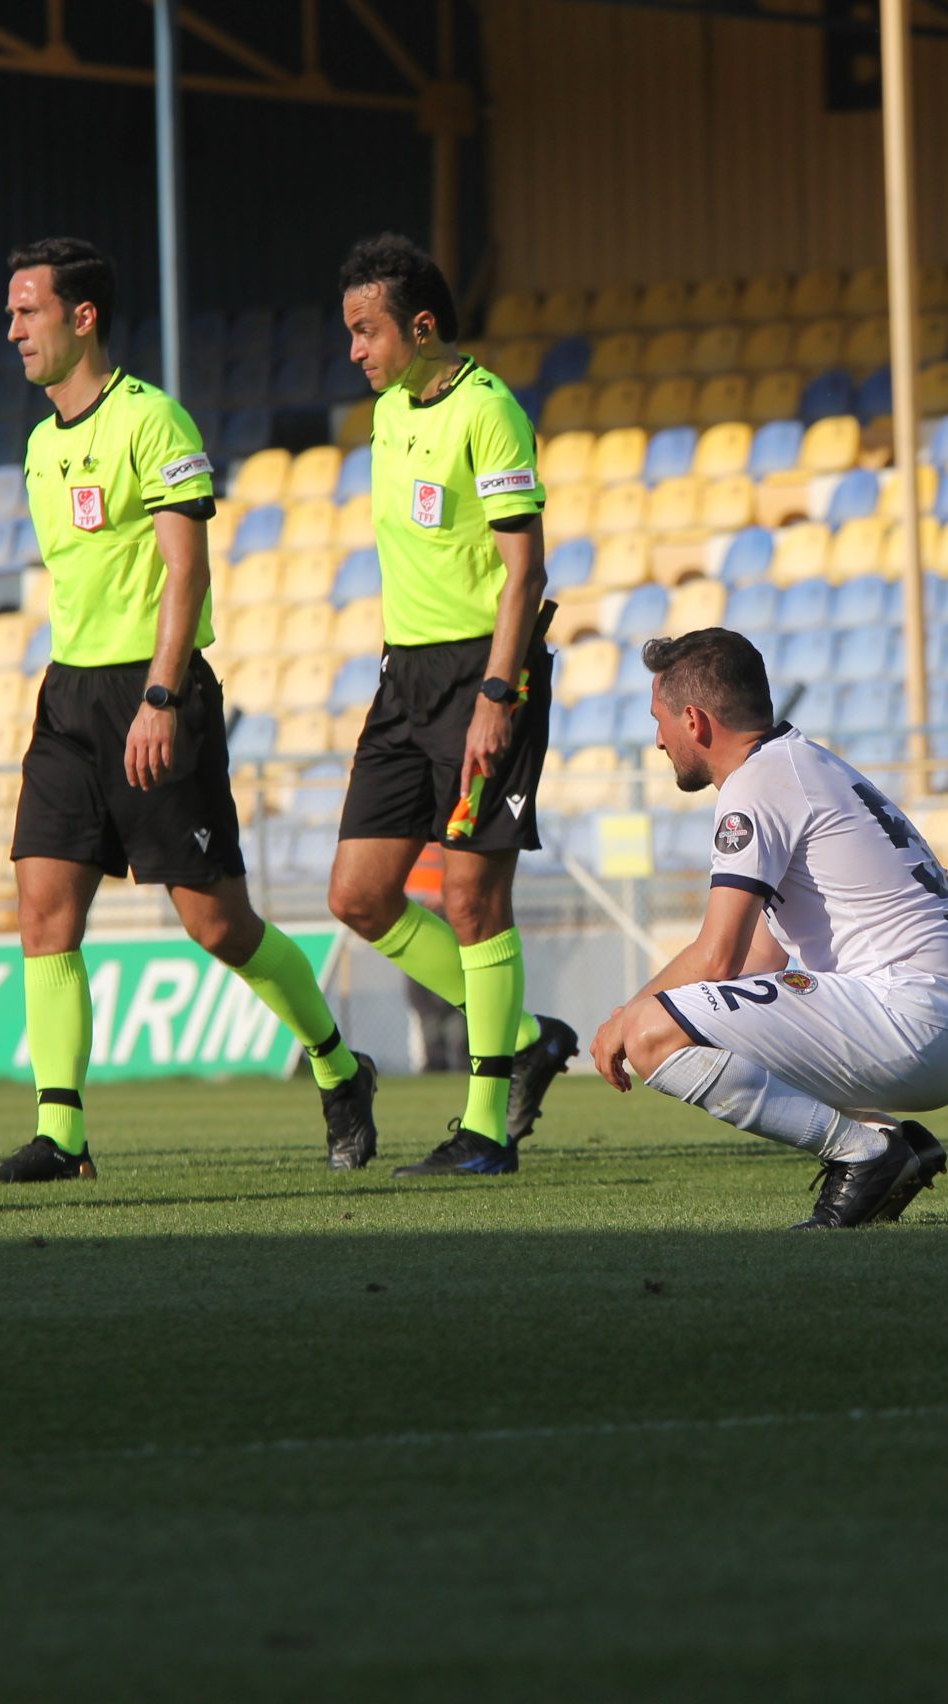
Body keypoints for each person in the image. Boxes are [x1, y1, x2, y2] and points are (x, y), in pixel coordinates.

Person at [0, 236, 377, 1184]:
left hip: (155, 692)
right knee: (42, 911)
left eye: (28, 312)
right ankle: (61, 1137)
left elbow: (185, 568)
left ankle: (338, 1066)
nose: (13, 330)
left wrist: (161, 694)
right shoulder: (37, 443)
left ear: (83, 318)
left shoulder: (154, 421)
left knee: (219, 925)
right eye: (10, 314)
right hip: (69, 695)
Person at [589, 630, 948, 1228]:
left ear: (694, 721)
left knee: (652, 1032)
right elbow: (759, 958)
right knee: (678, 1017)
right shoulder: (802, 764)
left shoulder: (758, 784)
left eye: (660, 720)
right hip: (946, 1024)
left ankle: (866, 1153)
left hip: (910, 1017)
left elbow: (716, 958)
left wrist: (627, 1017)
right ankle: (887, 1143)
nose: (657, 740)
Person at [325, 233, 575, 1178]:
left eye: (367, 330)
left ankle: (485, 1131)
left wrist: (496, 695)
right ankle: (525, 1036)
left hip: (485, 674)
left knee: (472, 898)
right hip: (403, 682)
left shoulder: (490, 411)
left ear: (421, 327)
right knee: (358, 894)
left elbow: (525, 569)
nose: (356, 350)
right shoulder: (391, 413)